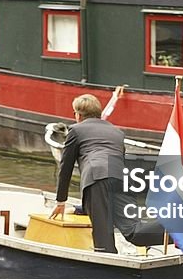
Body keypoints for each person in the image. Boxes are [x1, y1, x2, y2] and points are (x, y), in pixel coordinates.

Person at [50, 94, 165, 253]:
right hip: (122, 179)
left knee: (103, 239)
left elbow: (66, 167)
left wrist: (61, 201)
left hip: (96, 177)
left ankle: (107, 272)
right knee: (133, 231)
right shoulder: (116, 132)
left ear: (79, 115)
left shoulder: (75, 130)